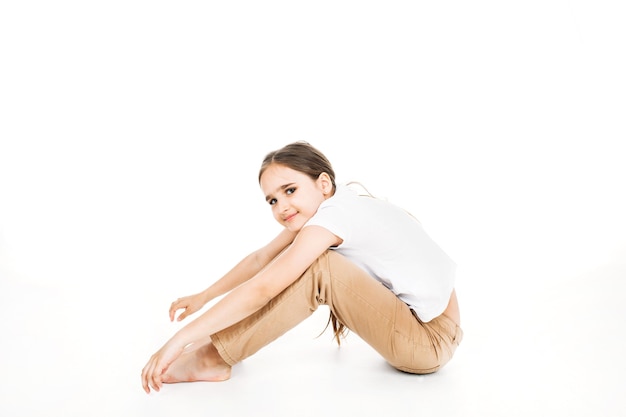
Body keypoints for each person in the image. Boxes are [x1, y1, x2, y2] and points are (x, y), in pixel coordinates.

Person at [141, 141, 462, 393]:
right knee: (313, 264)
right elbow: (260, 259)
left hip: (429, 341)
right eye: (272, 200)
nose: (281, 207)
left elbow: (263, 287)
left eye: (289, 190)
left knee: (321, 269)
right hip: (432, 333)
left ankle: (213, 358)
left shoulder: (334, 217)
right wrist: (203, 296)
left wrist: (180, 339)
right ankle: (216, 344)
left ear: (323, 183)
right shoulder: (337, 209)